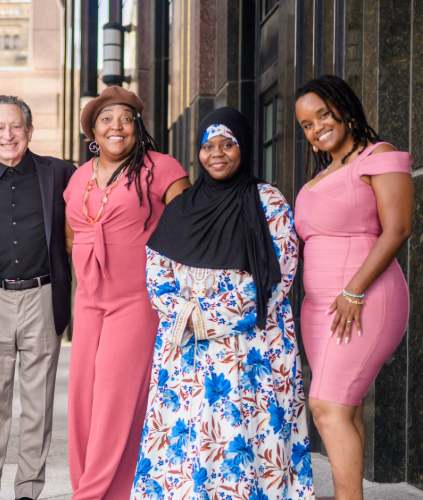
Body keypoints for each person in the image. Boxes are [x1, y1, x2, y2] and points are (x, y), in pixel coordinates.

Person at [132, 107, 314, 500]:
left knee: (240, 435)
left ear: (243, 147)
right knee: (191, 435)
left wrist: (212, 318)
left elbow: (279, 271)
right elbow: (157, 270)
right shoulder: (182, 206)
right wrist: (184, 313)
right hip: (187, 350)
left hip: (246, 348)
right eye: (208, 146)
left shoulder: (267, 201)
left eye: (227, 144)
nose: (217, 153)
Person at [64, 85, 191, 500]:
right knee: (83, 395)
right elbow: (72, 236)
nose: (115, 127)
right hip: (88, 300)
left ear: (137, 126)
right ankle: (89, 484)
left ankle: (94, 494)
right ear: (93, 132)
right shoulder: (79, 177)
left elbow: (191, 230)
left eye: (125, 119)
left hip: (136, 300)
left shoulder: (162, 167)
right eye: (105, 120)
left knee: (116, 399)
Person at [294, 75, 413, 500]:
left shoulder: (378, 156)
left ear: (345, 108)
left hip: (363, 298)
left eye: (323, 114)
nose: (316, 127)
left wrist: (354, 290)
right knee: (345, 409)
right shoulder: (324, 173)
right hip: (319, 307)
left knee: (326, 408)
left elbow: (397, 229)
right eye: (307, 124)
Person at [0, 95, 75, 500]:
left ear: (29, 131)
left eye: (15, 127)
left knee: (38, 402)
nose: (7, 135)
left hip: (42, 296)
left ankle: (28, 489)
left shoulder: (60, 173)